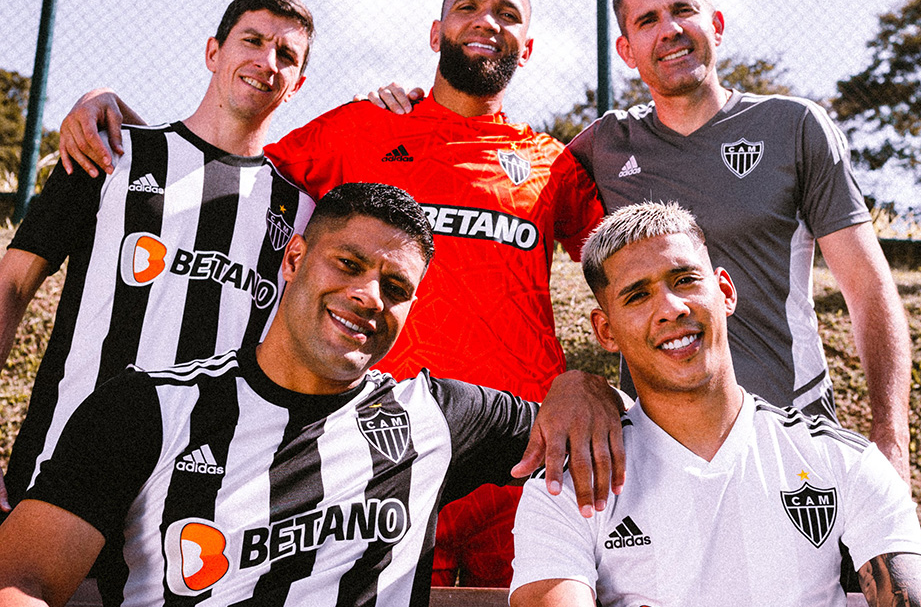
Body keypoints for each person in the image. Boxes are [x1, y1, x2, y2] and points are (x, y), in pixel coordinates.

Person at [55, 0, 605, 587]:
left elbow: (629, 265)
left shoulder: (549, 164)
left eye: (508, 15)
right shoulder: (361, 127)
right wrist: (117, 114)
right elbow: (229, 168)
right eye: (468, 7)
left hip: (521, 455)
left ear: (527, 47)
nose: (487, 22)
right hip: (381, 458)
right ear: (436, 32)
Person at [0, 182, 625, 607]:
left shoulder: (439, 418)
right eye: (348, 265)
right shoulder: (147, 408)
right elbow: (22, 579)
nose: (368, 296)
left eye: (396, 286)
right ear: (294, 259)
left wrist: (580, 383)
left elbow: (638, 432)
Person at [567, 0, 911, 482]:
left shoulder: (794, 127)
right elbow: (499, 189)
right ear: (627, 49)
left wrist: (891, 438)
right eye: (648, 20)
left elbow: (868, 291)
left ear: (716, 24)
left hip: (793, 432)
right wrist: (411, 109)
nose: (670, 30)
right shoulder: (604, 147)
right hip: (662, 451)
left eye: (683, 10)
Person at [510, 201, 921, 607]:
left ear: (725, 292)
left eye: (685, 279)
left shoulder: (840, 461)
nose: (671, 307)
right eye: (637, 295)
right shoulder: (566, 489)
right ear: (605, 331)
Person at [0, 0, 317, 512]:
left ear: (297, 84)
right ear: (213, 52)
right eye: (253, 41)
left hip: (201, 498)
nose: (266, 62)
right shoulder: (109, 153)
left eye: (286, 56)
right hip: (64, 466)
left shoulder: (301, 212)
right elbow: (12, 283)